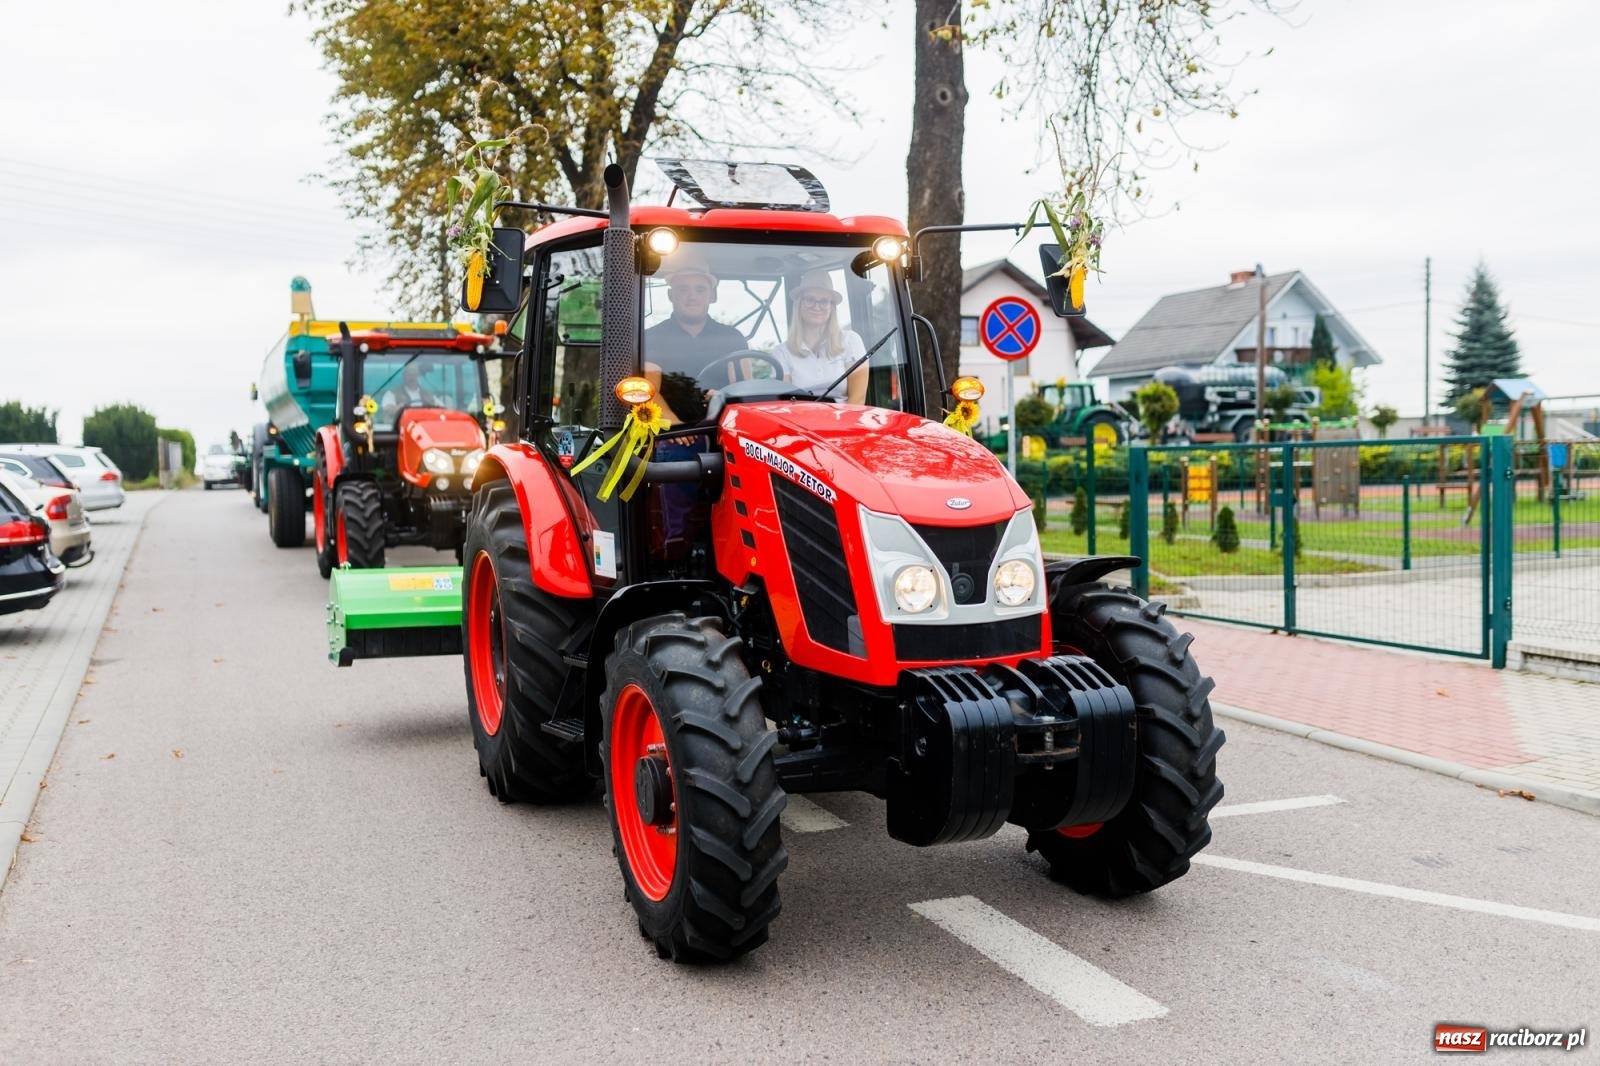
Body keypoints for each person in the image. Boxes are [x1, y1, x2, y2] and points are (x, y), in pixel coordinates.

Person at [642, 254, 746, 424]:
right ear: (670, 295)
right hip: (669, 435)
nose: (692, 296)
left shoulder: (733, 338)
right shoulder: (652, 337)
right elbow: (649, 392)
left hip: (723, 430)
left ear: (712, 296)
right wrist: (675, 426)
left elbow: (744, 391)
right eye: (683, 289)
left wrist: (723, 397)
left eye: (700, 289)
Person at [773, 270, 868, 405]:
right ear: (799, 304)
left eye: (824, 301)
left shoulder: (850, 341)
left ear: (832, 307)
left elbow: (857, 401)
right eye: (810, 299)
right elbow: (785, 403)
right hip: (800, 422)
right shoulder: (782, 352)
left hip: (844, 422)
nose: (817, 306)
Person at [378, 361, 442, 425]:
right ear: (404, 376)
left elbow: (442, 409)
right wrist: (400, 408)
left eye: (414, 374)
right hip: (401, 429)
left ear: (418, 376)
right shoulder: (392, 393)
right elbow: (387, 409)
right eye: (409, 374)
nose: (412, 377)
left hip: (425, 427)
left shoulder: (429, 395)